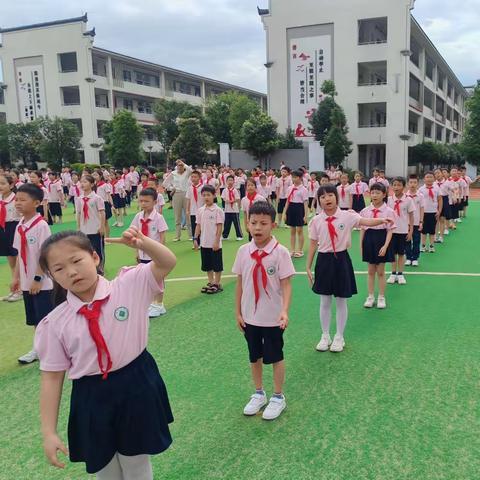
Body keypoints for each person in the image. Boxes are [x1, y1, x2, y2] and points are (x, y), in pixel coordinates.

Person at [34, 228, 176, 479]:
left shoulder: (130, 284)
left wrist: (144, 244)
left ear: (95, 257)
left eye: (77, 261)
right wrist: (49, 432)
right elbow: (51, 378)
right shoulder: (54, 323)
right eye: (59, 269)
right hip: (91, 395)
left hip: (137, 385)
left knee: (137, 463)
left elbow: (167, 262)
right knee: (105, 468)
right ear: (52, 276)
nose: (71, 272)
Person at [306, 185, 392, 352]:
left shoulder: (347, 216)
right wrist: (308, 266)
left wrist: (381, 220)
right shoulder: (316, 221)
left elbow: (365, 222)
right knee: (324, 301)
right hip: (323, 261)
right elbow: (312, 244)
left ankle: (339, 336)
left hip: (341, 260)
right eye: (322, 197)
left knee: (341, 300)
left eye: (330, 195)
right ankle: (325, 335)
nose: (327, 199)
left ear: (336, 197)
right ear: (318, 201)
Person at [233, 201, 294, 420]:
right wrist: (238, 312)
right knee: (254, 356)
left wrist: (284, 311)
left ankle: (278, 396)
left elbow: (286, 284)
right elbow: (240, 283)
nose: (258, 228)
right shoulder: (243, 251)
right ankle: (259, 393)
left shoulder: (281, 253)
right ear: (247, 224)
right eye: (253, 223)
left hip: (272, 318)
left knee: (275, 355)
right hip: (250, 317)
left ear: (273, 225)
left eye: (263, 223)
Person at [11, 184, 54, 364]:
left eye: (23, 200)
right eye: (17, 199)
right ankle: (38, 348)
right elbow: (21, 254)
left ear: (36, 203)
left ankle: (52, 350)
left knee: (46, 318)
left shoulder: (41, 226)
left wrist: (37, 279)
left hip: (42, 283)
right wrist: (16, 277)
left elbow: (44, 256)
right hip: (27, 282)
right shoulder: (20, 224)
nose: (18, 203)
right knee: (35, 318)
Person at [131, 188, 169, 318]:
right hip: (143, 254)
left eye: (146, 201)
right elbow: (135, 236)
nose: (143, 204)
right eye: (141, 201)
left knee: (158, 279)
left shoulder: (158, 218)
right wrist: (137, 251)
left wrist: (161, 253)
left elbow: (162, 236)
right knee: (146, 279)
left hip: (155, 255)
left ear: (154, 201)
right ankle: (151, 303)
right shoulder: (138, 217)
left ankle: (159, 304)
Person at [360, 183, 396, 310]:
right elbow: (363, 229)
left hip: (382, 239)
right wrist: (361, 245)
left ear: (384, 194)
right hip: (369, 240)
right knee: (370, 271)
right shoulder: (365, 211)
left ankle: (381, 296)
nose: (374, 195)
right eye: (373, 192)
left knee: (380, 271)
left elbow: (390, 230)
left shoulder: (389, 211)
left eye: (378, 193)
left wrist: (386, 246)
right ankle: (370, 296)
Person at [194, 185, 225, 295]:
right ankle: (211, 282)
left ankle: (217, 283)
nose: (206, 197)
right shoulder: (200, 210)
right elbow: (198, 225)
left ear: (214, 196)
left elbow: (219, 227)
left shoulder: (218, 210)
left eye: (208, 195)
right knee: (207, 264)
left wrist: (217, 241)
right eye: (204, 195)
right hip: (204, 242)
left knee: (217, 264)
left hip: (214, 243)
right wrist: (195, 238)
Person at [76, 175, 106, 275]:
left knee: (98, 250)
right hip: (84, 229)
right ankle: (90, 268)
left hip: (96, 229)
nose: (82, 184)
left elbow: (102, 213)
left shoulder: (97, 198)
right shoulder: (79, 199)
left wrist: (102, 226)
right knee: (87, 250)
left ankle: (100, 268)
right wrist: (79, 227)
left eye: (85, 182)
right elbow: (79, 213)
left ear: (92, 184)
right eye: (81, 182)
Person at [386, 177, 414, 285]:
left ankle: (401, 274)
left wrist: (410, 230)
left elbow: (411, 216)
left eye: (399, 185)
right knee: (392, 253)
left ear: (404, 187)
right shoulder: (388, 200)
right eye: (394, 185)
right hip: (391, 231)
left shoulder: (408, 200)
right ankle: (393, 273)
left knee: (401, 253)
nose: (396, 187)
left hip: (403, 230)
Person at [0, 173, 22, 302]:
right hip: (3, 229)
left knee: (18, 261)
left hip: (14, 228)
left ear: (12, 185)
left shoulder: (16, 199)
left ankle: (20, 290)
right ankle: (14, 289)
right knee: (11, 262)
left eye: (3, 184)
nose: (0, 186)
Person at [283, 170, 308, 257]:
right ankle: (292, 250)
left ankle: (300, 250)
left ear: (300, 178)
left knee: (299, 231)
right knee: (292, 231)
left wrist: (305, 215)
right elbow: (287, 201)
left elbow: (305, 203)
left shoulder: (304, 189)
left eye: (295, 177)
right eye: (292, 177)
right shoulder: (290, 188)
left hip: (299, 209)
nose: (294, 179)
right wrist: (284, 213)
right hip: (291, 209)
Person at [165, 159, 192, 241]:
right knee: (177, 216)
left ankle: (190, 235)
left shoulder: (187, 173)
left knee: (188, 214)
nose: (180, 167)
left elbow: (190, 170)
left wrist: (183, 163)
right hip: (176, 194)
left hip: (186, 194)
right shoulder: (173, 173)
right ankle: (177, 236)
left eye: (181, 166)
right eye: (178, 165)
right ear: (176, 167)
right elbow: (165, 183)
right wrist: (171, 188)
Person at [418, 171, 442, 253]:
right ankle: (423, 245)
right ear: (424, 179)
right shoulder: (421, 189)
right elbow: (418, 202)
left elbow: (439, 199)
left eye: (431, 177)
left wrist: (439, 210)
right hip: (423, 213)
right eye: (427, 177)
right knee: (423, 231)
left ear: (434, 178)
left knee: (432, 231)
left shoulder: (437, 188)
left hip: (433, 212)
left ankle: (431, 246)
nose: (429, 179)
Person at [405, 175, 424, 267]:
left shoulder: (420, 196)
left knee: (416, 240)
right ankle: (408, 257)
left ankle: (415, 258)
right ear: (408, 184)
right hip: (406, 223)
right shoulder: (405, 196)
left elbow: (421, 209)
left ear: (417, 184)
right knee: (407, 240)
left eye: (415, 182)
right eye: (411, 182)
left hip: (416, 223)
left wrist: (421, 221)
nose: (413, 184)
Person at [221, 175, 243, 241]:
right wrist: (226, 200)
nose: (230, 182)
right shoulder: (225, 190)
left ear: (233, 181)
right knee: (227, 223)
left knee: (236, 223)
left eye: (231, 180)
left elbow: (238, 198)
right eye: (229, 180)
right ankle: (225, 236)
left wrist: (233, 201)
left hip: (234, 209)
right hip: (227, 209)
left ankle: (239, 235)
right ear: (226, 181)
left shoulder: (235, 190)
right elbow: (223, 197)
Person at [94, 170, 114, 239]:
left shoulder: (105, 185)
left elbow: (109, 195)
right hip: (97, 205)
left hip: (104, 204)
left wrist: (112, 205)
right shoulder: (95, 185)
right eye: (94, 175)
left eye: (96, 175)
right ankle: (102, 237)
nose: (94, 177)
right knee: (99, 222)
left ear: (100, 176)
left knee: (105, 222)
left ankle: (107, 238)